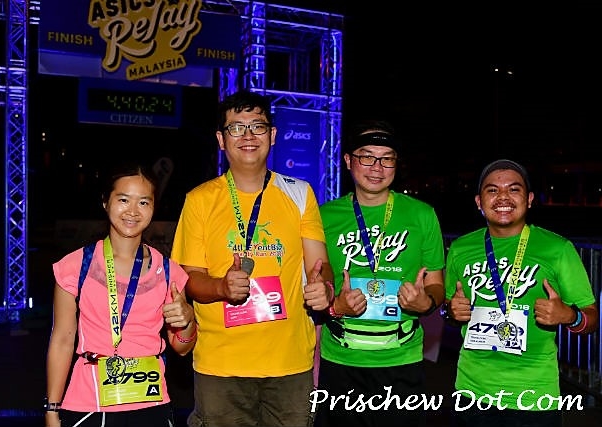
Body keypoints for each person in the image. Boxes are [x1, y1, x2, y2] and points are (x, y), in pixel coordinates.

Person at [170, 89, 334, 427]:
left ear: (272, 135)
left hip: (290, 363)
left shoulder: (300, 193)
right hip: (221, 364)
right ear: (221, 140)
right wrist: (221, 287)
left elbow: (319, 267)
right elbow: (189, 280)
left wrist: (326, 288)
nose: (248, 136)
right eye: (236, 128)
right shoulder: (200, 200)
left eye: (257, 126)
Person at [443, 159, 599, 427]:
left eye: (513, 189)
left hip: (534, 396)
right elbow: (450, 307)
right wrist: (450, 311)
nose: (503, 196)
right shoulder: (460, 248)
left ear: (529, 200)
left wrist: (569, 316)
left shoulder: (558, 249)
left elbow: (592, 319)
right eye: (493, 190)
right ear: (479, 202)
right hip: (471, 391)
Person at [314, 119, 446, 427]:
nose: (377, 167)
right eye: (367, 156)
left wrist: (425, 303)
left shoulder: (422, 214)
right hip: (341, 361)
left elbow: (436, 284)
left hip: (402, 361)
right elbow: (317, 281)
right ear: (348, 160)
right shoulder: (323, 216)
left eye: (387, 158)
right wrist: (335, 306)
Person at [45, 163, 196, 427]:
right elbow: (62, 340)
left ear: (154, 208)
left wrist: (188, 321)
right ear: (106, 202)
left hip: (151, 405)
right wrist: (51, 410)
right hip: (89, 404)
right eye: (123, 199)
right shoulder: (75, 266)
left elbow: (182, 347)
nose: (133, 211)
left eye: (144, 202)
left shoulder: (169, 271)